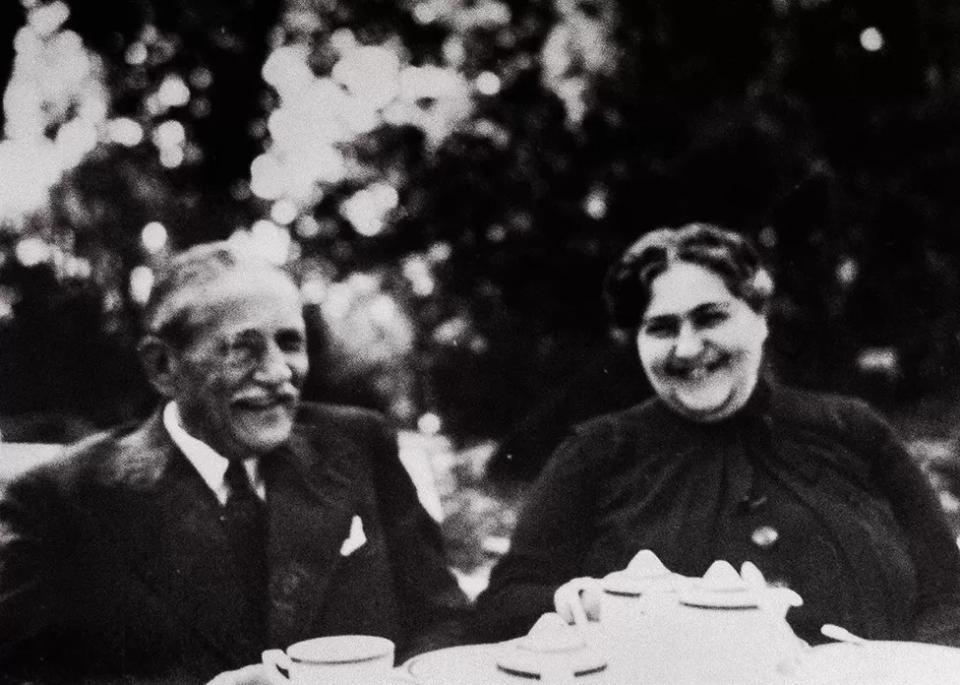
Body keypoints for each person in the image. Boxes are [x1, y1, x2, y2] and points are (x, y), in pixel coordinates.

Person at [0, 242, 469, 685]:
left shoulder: (359, 445)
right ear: (162, 367)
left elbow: (443, 621)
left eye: (289, 343)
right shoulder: (58, 501)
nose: (278, 373)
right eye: (242, 349)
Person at [474, 222, 960, 647]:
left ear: (760, 318)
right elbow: (507, 604)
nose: (687, 347)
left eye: (710, 317)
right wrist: (587, 602)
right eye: (661, 328)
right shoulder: (596, 453)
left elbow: (950, 596)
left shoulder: (853, 431)